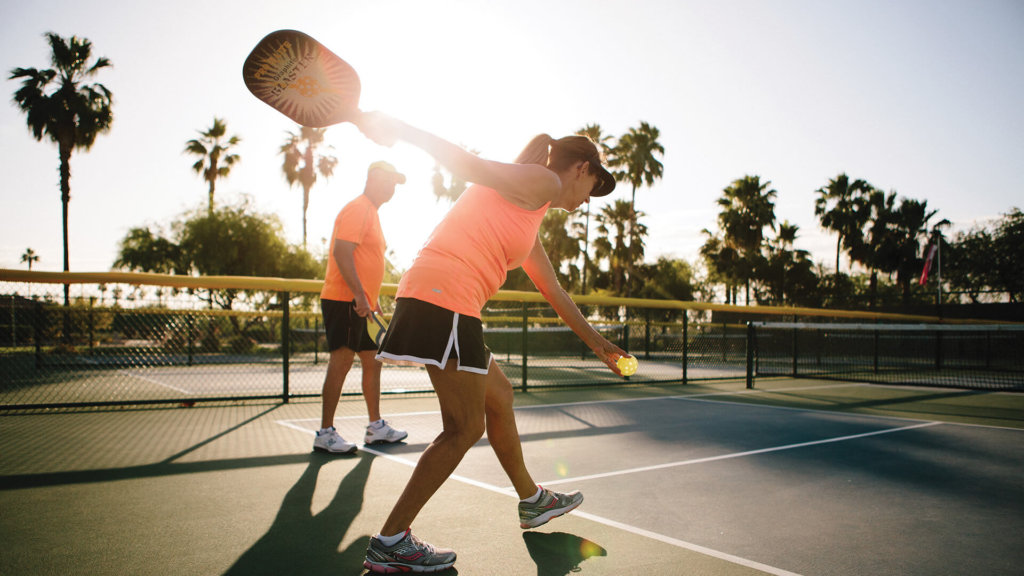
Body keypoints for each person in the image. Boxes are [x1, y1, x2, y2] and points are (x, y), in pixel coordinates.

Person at [354, 112, 630, 573]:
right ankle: (391, 540)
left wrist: (601, 345)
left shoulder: (531, 209)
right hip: (445, 299)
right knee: (464, 429)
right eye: (594, 185)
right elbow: (464, 162)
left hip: (449, 302)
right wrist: (400, 129)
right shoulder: (540, 181)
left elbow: (553, 291)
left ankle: (533, 501)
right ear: (581, 167)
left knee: (499, 396)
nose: (589, 199)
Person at [313, 161, 409, 454]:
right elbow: (342, 253)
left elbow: (366, 262)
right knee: (341, 362)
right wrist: (358, 295)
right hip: (345, 300)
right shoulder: (359, 207)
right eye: (390, 181)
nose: (393, 188)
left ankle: (375, 427)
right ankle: (325, 432)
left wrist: (371, 299)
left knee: (372, 361)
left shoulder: (372, 212)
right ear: (374, 178)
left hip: (362, 304)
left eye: (396, 183)